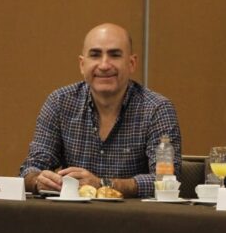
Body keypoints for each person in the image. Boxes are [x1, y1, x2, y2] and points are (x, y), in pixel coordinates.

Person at [19, 23, 182, 198]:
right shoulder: (60, 102)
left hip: (135, 220)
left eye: (114, 55)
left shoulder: (157, 109)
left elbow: (167, 182)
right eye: (95, 55)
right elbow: (30, 168)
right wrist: (38, 181)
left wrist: (102, 184)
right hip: (71, 219)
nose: (104, 65)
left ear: (131, 63)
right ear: (82, 65)